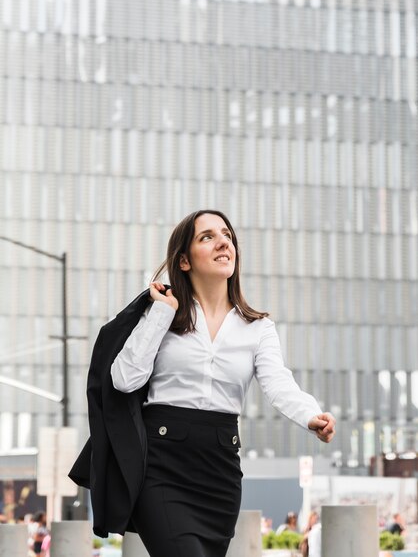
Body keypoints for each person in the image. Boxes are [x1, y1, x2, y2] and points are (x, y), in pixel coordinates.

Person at [73, 209, 336, 557]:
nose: (222, 241)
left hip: (220, 469)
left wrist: (310, 415)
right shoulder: (162, 315)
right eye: (207, 236)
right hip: (161, 466)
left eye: (226, 235)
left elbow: (279, 383)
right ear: (184, 260)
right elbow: (124, 379)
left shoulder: (257, 328)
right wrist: (162, 313)